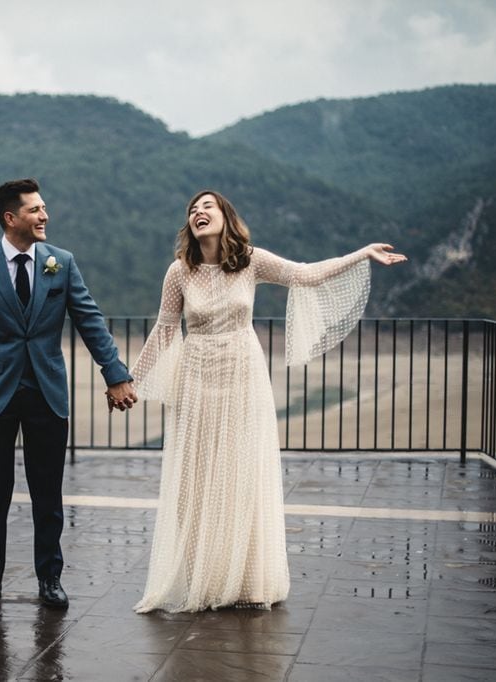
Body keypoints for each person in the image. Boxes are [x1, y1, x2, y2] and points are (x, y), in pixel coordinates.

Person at [130, 190, 407, 613]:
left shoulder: (251, 261)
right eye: (192, 209)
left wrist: (362, 254)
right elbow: (166, 329)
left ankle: (243, 580)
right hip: (197, 375)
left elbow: (306, 275)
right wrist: (127, 378)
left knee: (242, 472)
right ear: (189, 225)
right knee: (196, 477)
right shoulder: (178, 272)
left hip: (242, 374)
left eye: (208, 206)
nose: (199, 212)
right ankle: (200, 577)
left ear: (226, 217)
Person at [0, 178, 138, 613]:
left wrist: (116, 375)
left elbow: (90, 321)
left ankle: (50, 580)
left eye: (44, 208)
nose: (44, 216)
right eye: (35, 210)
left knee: (48, 495)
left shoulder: (61, 263)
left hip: (48, 394)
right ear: (10, 218)